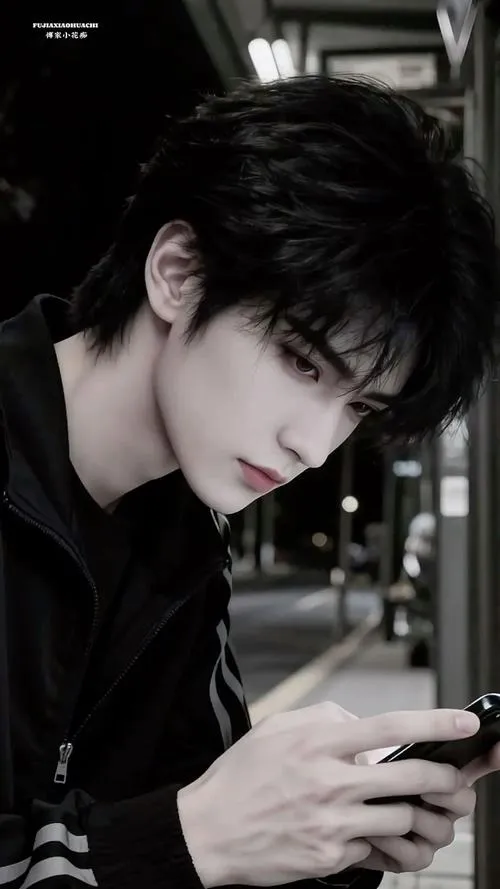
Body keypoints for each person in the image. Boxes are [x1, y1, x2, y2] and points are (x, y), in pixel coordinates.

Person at [0, 75, 498, 889]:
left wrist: (331, 837)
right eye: (301, 361)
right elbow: (179, 837)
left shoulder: (182, 533)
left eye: (358, 406)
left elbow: (193, 832)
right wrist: (192, 836)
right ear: (179, 271)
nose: (314, 444)